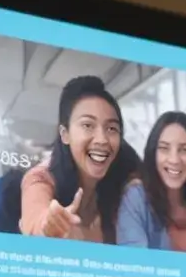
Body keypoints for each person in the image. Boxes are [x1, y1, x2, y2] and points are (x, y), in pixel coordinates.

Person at [19, 75, 141, 244]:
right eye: (87, 125)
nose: (102, 139)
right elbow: (35, 219)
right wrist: (49, 226)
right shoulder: (41, 177)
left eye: (112, 128)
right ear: (65, 134)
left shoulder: (125, 174)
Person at [116, 111, 186, 254]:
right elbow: (134, 266)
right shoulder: (136, 199)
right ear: (153, 153)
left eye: (184, 150)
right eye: (164, 148)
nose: (174, 159)